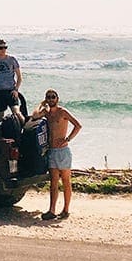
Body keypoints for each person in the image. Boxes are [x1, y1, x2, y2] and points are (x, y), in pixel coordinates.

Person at [28, 89, 81, 220]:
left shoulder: (62, 112)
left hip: (63, 151)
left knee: (66, 182)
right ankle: (52, 210)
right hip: (51, 151)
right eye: (48, 97)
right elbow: (34, 116)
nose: (51, 99)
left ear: (57, 98)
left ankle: (66, 210)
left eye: (53, 97)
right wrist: (41, 104)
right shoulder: (47, 113)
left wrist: (68, 139)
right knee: (53, 183)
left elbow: (78, 125)